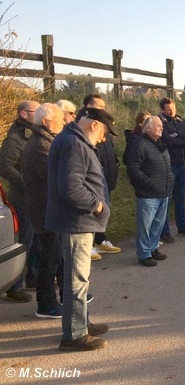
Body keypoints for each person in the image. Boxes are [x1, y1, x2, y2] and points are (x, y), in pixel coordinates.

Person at [45, 108, 116, 352]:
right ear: (94, 125)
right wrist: (96, 206)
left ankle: (82, 324)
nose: (104, 139)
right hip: (76, 221)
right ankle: (74, 335)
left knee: (77, 278)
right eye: (104, 133)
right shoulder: (74, 143)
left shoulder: (71, 139)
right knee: (77, 280)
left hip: (76, 221)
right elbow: (71, 187)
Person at [22, 104, 66, 318]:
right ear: (46, 121)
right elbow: (55, 176)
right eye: (59, 119)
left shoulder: (46, 140)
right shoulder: (41, 144)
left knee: (57, 258)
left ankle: (62, 297)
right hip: (44, 212)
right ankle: (46, 304)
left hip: (49, 210)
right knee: (50, 260)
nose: (63, 122)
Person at [0, 99, 40, 303]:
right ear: (24, 114)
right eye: (36, 110)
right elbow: (5, 167)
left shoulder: (34, 135)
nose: (40, 113)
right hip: (22, 198)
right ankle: (14, 286)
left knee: (36, 241)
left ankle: (32, 278)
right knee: (24, 240)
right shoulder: (15, 139)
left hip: (35, 198)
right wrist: (25, 182)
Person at [76, 94, 121, 259]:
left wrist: (115, 162)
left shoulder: (102, 125)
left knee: (104, 207)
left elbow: (109, 146)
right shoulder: (83, 130)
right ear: (89, 107)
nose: (103, 109)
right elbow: (73, 186)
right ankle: (90, 244)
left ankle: (100, 240)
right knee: (95, 210)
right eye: (99, 106)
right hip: (95, 177)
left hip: (107, 174)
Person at [126, 116, 173, 267]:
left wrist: (169, 180)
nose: (161, 128)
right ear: (148, 128)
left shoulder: (160, 144)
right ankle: (144, 254)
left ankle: (153, 249)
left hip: (163, 191)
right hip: (148, 193)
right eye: (158, 126)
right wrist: (149, 183)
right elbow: (133, 169)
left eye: (162, 126)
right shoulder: (139, 144)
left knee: (157, 224)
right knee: (145, 226)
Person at [158, 97, 185, 241]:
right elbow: (169, 141)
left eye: (173, 108)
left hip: (183, 165)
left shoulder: (180, 120)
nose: (172, 111)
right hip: (170, 166)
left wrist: (179, 134)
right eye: (168, 109)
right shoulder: (160, 122)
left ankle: (182, 227)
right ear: (162, 110)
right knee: (167, 200)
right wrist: (182, 138)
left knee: (181, 198)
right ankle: (165, 231)